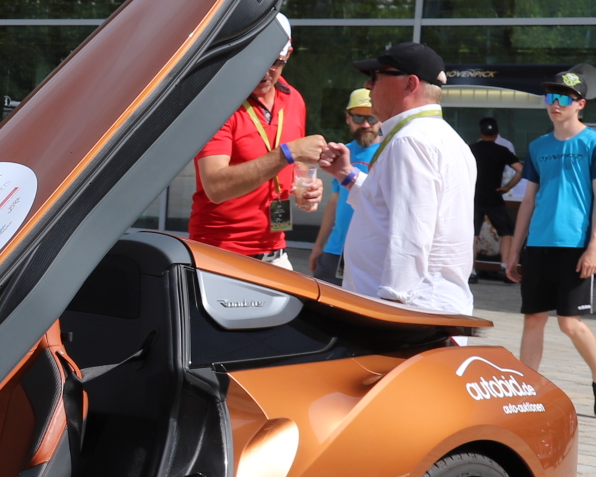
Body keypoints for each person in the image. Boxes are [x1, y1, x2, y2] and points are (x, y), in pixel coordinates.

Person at [316, 42, 475, 314]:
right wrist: (346, 174)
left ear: (410, 84)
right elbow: (390, 206)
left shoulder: (410, 140)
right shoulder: (441, 136)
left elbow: (411, 234)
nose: (368, 85)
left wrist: (391, 305)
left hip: (410, 310)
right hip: (423, 305)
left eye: (377, 76)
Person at [503, 68, 596, 418]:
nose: (555, 104)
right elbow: (528, 200)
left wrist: (594, 247)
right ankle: (526, 390)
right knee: (533, 319)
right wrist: (514, 250)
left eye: (563, 98)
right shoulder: (539, 146)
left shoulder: (595, 143)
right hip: (539, 245)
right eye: (550, 97)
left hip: (575, 246)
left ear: (580, 104)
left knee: (569, 322)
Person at [188, 44, 325, 270]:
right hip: (220, 254)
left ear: (288, 55)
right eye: (258, 59)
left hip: (276, 252)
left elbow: (290, 166)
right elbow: (215, 187)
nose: (264, 71)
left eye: (275, 62)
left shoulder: (294, 99)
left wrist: (307, 189)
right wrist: (287, 153)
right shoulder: (219, 103)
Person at [308, 88, 380, 282]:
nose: (365, 124)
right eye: (358, 117)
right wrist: (319, 246)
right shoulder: (342, 152)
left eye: (372, 118)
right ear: (348, 118)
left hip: (370, 255)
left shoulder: (390, 153)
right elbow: (336, 199)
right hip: (335, 250)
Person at [470, 116, 522, 267]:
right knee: (506, 231)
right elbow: (520, 170)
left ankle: (471, 269)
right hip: (494, 196)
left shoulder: (471, 149)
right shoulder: (502, 150)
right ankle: (504, 266)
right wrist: (508, 187)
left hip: (474, 197)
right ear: (496, 135)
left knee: (473, 234)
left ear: (481, 134)